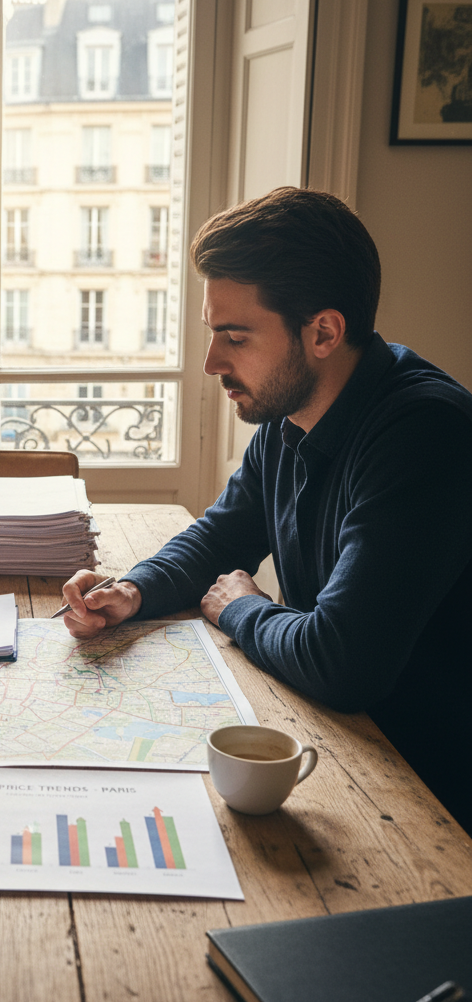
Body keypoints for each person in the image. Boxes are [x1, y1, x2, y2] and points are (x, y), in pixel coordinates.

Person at [59, 187, 472, 831]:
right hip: (341, 740)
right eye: (212, 333)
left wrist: (242, 608)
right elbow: (220, 538)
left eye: (235, 336)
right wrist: (133, 591)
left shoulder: (424, 434)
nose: (210, 362)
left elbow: (342, 664)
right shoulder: (290, 416)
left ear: (323, 332)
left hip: (425, 787)